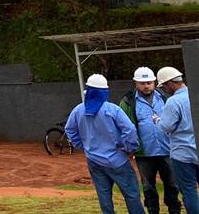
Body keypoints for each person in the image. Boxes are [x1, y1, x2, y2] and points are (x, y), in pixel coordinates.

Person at [66, 73, 146, 214]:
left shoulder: (78, 110)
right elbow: (130, 129)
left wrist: (82, 145)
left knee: (104, 197)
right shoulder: (112, 109)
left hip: (94, 160)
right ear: (105, 92)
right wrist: (130, 148)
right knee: (131, 194)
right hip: (117, 160)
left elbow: (69, 130)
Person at [119, 67, 181, 214]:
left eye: (149, 82)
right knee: (148, 187)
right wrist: (129, 147)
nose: (146, 86)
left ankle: (174, 210)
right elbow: (123, 125)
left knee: (172, 185)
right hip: (144, 154)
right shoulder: (128, 101)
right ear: (136, 83)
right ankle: (153, 210)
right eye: (142, 83)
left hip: (167, 150)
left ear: (154, 82)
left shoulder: (165, 96)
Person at [158, 66, 199, 214]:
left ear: (170, 83)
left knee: (189, 191)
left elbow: (166, 126)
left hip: (182, 154)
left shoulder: (173, 101)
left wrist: (157, 120)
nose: (163, 89)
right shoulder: (195, 94)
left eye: (163, 86)